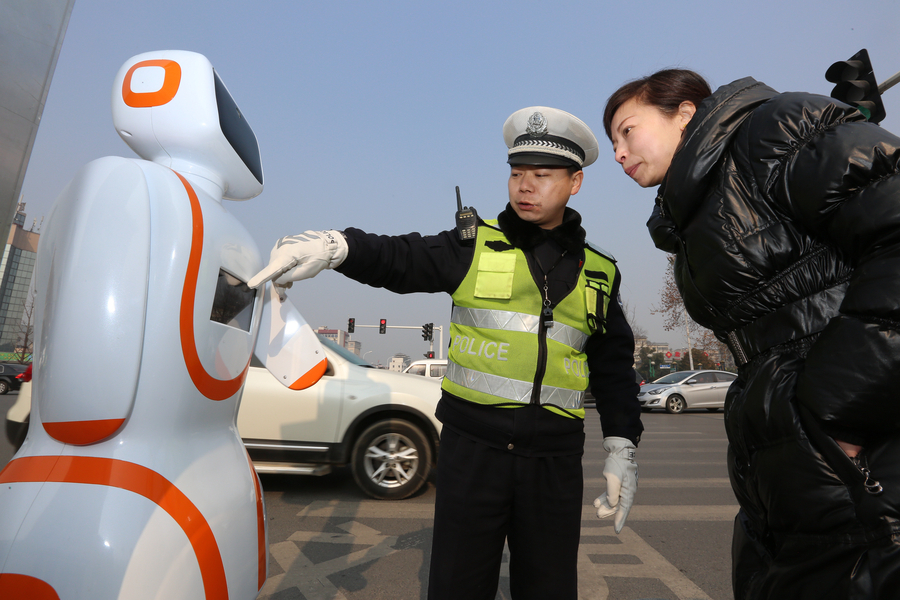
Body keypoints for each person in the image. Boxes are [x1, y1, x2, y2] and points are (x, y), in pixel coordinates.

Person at [249, 106, 643, 599]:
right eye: (517, 173)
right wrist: (335, 247)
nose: (524, 186)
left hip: (554, 461)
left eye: (541, 176)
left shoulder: (601, 273)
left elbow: (612, 369)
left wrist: (622, 446)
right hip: (472, 451)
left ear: (575, 182)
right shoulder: (473, 246)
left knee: (550, 588)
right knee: (457, 586)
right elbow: (401, 257)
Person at [604, 69, 900, 599]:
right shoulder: (694, 211)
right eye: (613, 143)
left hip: (855, 445)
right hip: (778, 451)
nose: (619, 154)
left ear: (686, 113)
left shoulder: (771, 130)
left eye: (628, 130)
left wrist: (839, 408)